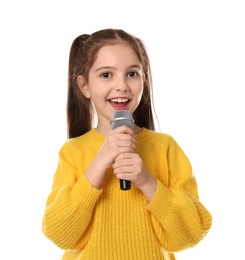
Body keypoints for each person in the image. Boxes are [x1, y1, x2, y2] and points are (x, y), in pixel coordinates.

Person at [42, 28, 212, 260]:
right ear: (84, 87)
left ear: (144, 79)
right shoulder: (73, 152)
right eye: (106, 75)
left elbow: (191, 234)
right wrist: (100, 162)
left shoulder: (164, 148)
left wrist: (148, 182)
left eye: (132, 74)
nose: (121, 85)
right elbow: (60, 235)